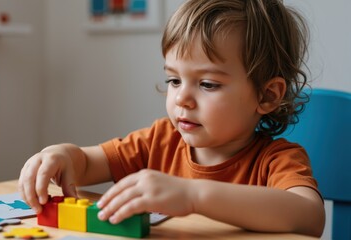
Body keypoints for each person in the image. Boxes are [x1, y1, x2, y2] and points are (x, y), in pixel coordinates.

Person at [18, 0, 325, 237]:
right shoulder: (158, 141)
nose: (182, 99)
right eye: (174, 80)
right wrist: (61, 156)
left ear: (268, 96)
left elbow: (309, 216)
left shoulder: (277, 160)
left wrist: (193, 195)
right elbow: (86, 163)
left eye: (207, 84)